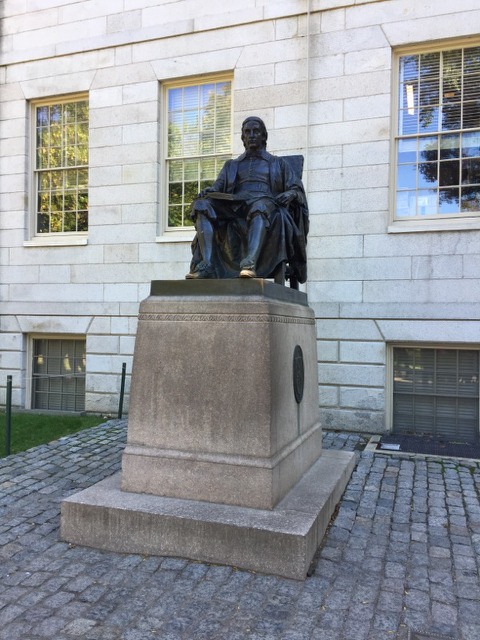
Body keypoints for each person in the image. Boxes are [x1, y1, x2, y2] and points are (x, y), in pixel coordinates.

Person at [186, 116, 309, 285]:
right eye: (247, 132)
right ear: (243, 137)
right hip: (234, 204)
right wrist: (210, 191)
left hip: (264, 202)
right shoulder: (232, 165)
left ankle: (249, 263)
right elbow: (217, 187)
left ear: (264, 136)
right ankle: (206, 264)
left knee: (259, 206)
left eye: (256, 131)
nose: (251, 135)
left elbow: (297, 189)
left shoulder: (278, 163)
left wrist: (291, 194)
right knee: (201, 205)